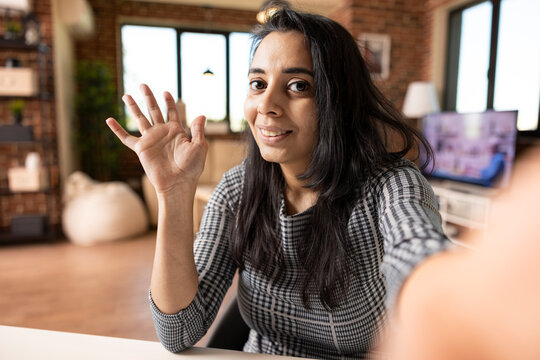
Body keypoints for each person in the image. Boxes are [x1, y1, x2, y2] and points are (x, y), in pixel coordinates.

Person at [106, 8, 452, 360]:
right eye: (258, 84)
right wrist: (174, 195)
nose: (266, 105)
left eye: (298, 86)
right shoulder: (237, 190)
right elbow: (177, 331)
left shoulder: (391, 186)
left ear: (339, 101)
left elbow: (418, 254)